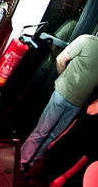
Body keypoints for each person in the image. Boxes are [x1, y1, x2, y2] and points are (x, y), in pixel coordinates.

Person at [20, 33, 98, 169]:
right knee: (42, 132)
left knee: (52, 136)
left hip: (78, 103)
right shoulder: (86, 40)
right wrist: (64, 80)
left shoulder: (86, 40)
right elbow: (61, 59)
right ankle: (20, 162)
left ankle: (31, 165)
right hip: (62, 95)